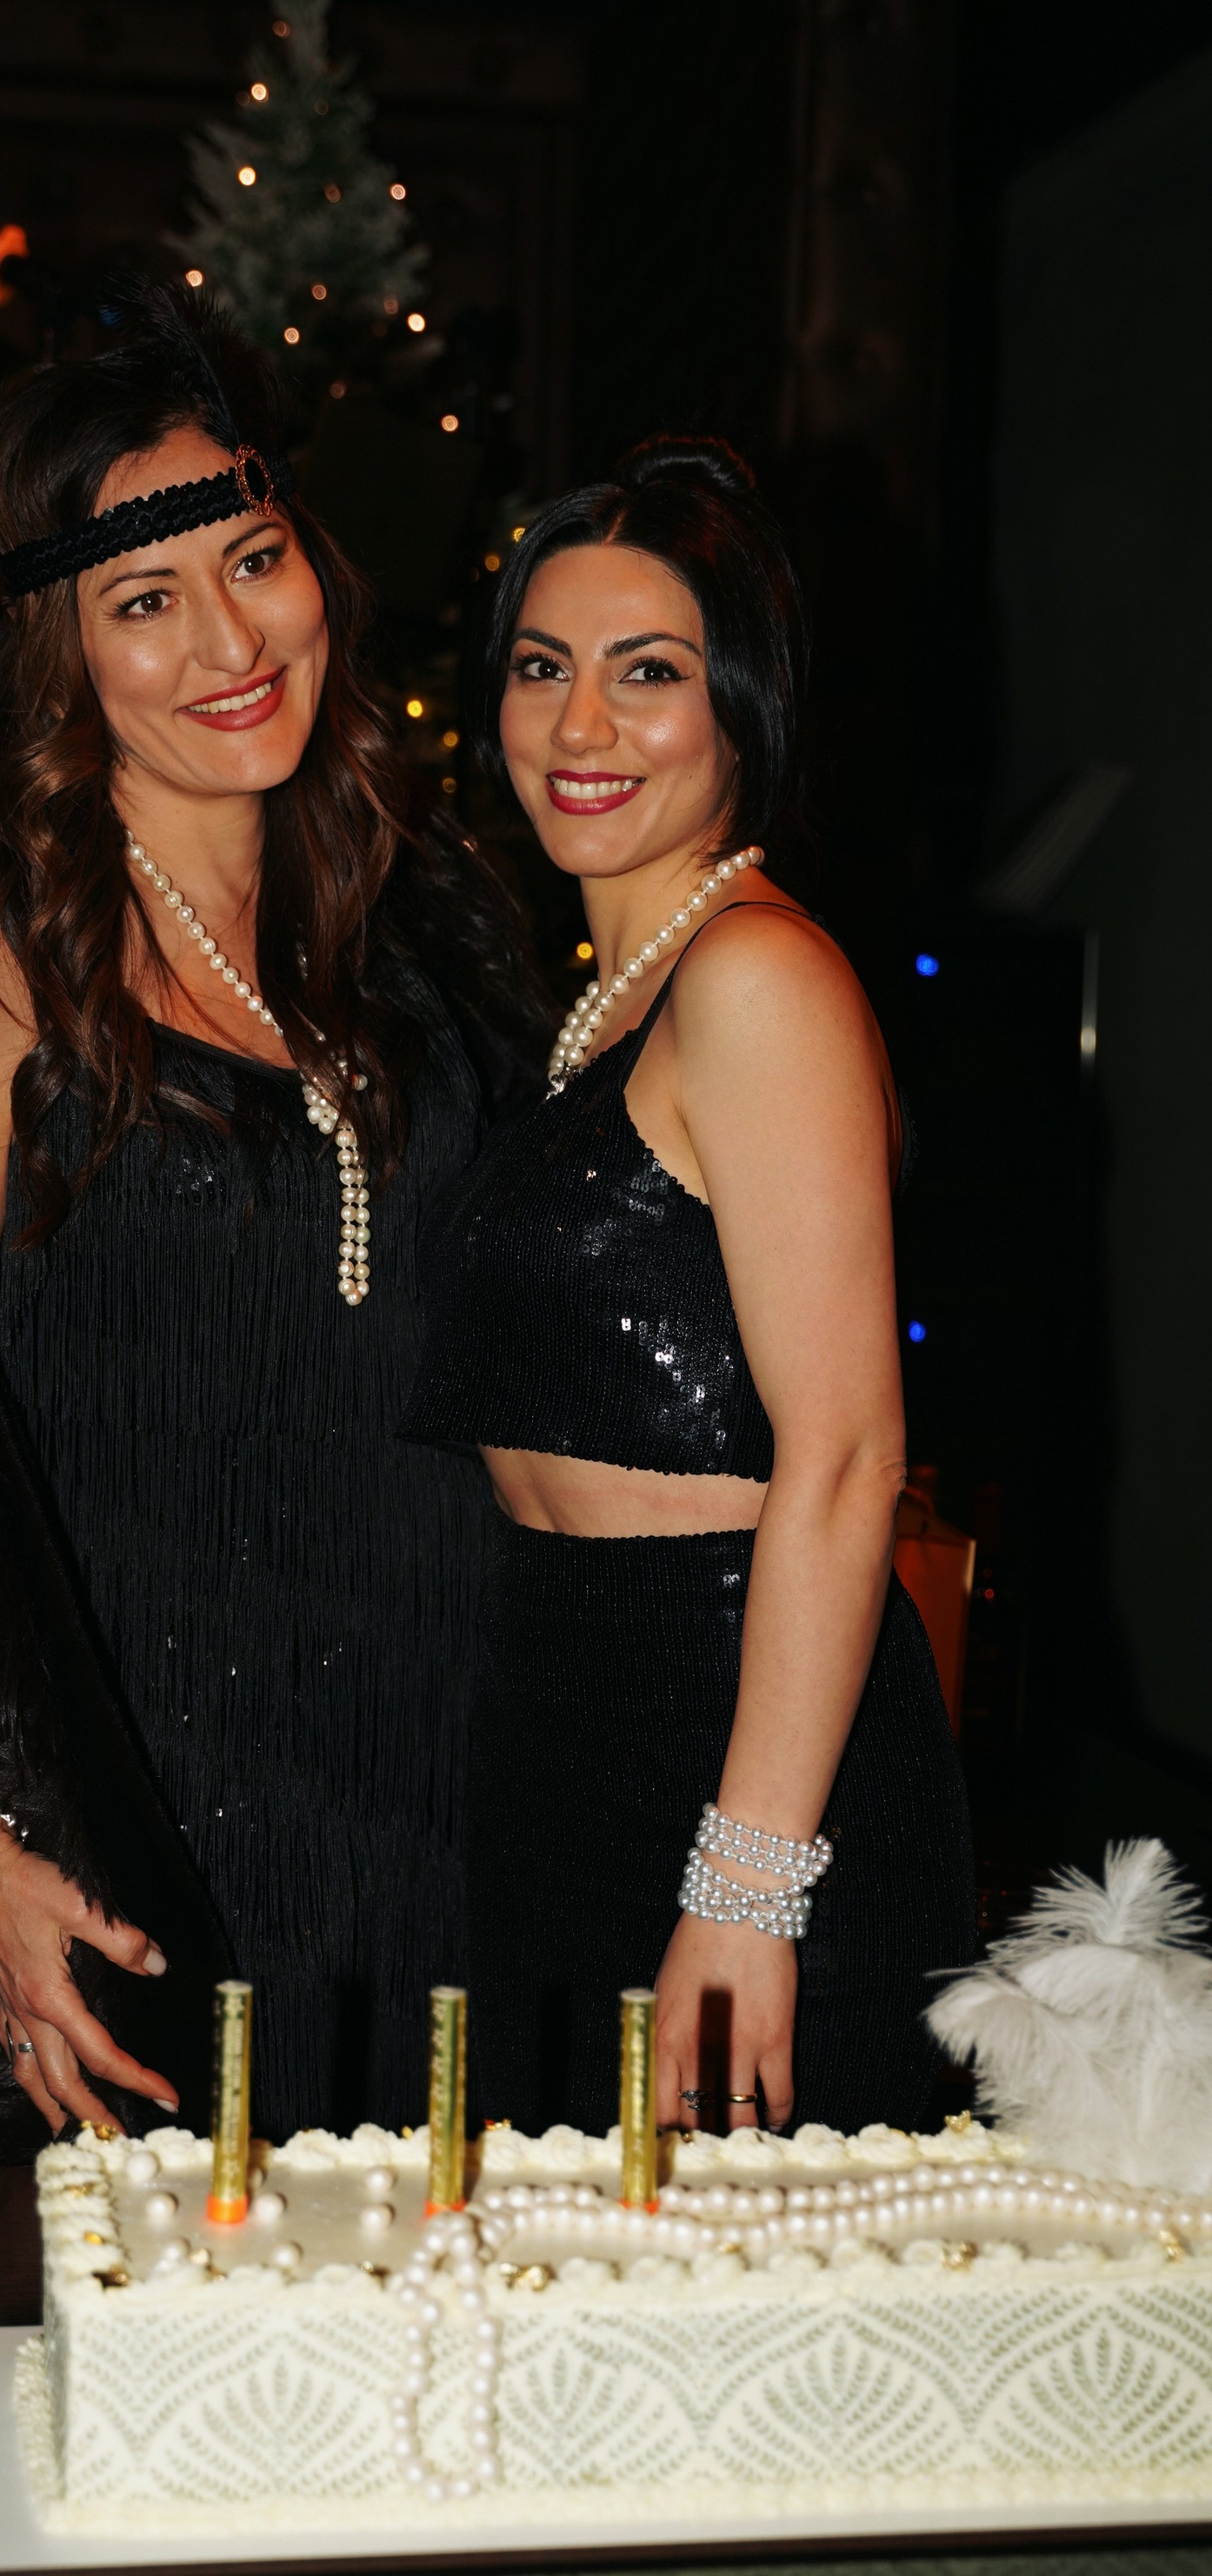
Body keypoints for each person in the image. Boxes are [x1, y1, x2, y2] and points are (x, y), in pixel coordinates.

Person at [0, 283, 545, 2155]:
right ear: (59, 654)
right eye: (145, 603)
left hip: (448, 1805)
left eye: (253, 561)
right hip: (151, 1837)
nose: (229, 642)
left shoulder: (409, 919)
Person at [405, 438, 975, 2139]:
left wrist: (748, 1881)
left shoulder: (756, 974)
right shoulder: (602, 1001)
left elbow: (850, 1457)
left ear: (741, 705)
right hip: (566, 1732)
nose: (580, 726)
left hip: (740, 1749)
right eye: (541, 668)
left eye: (647, 673)